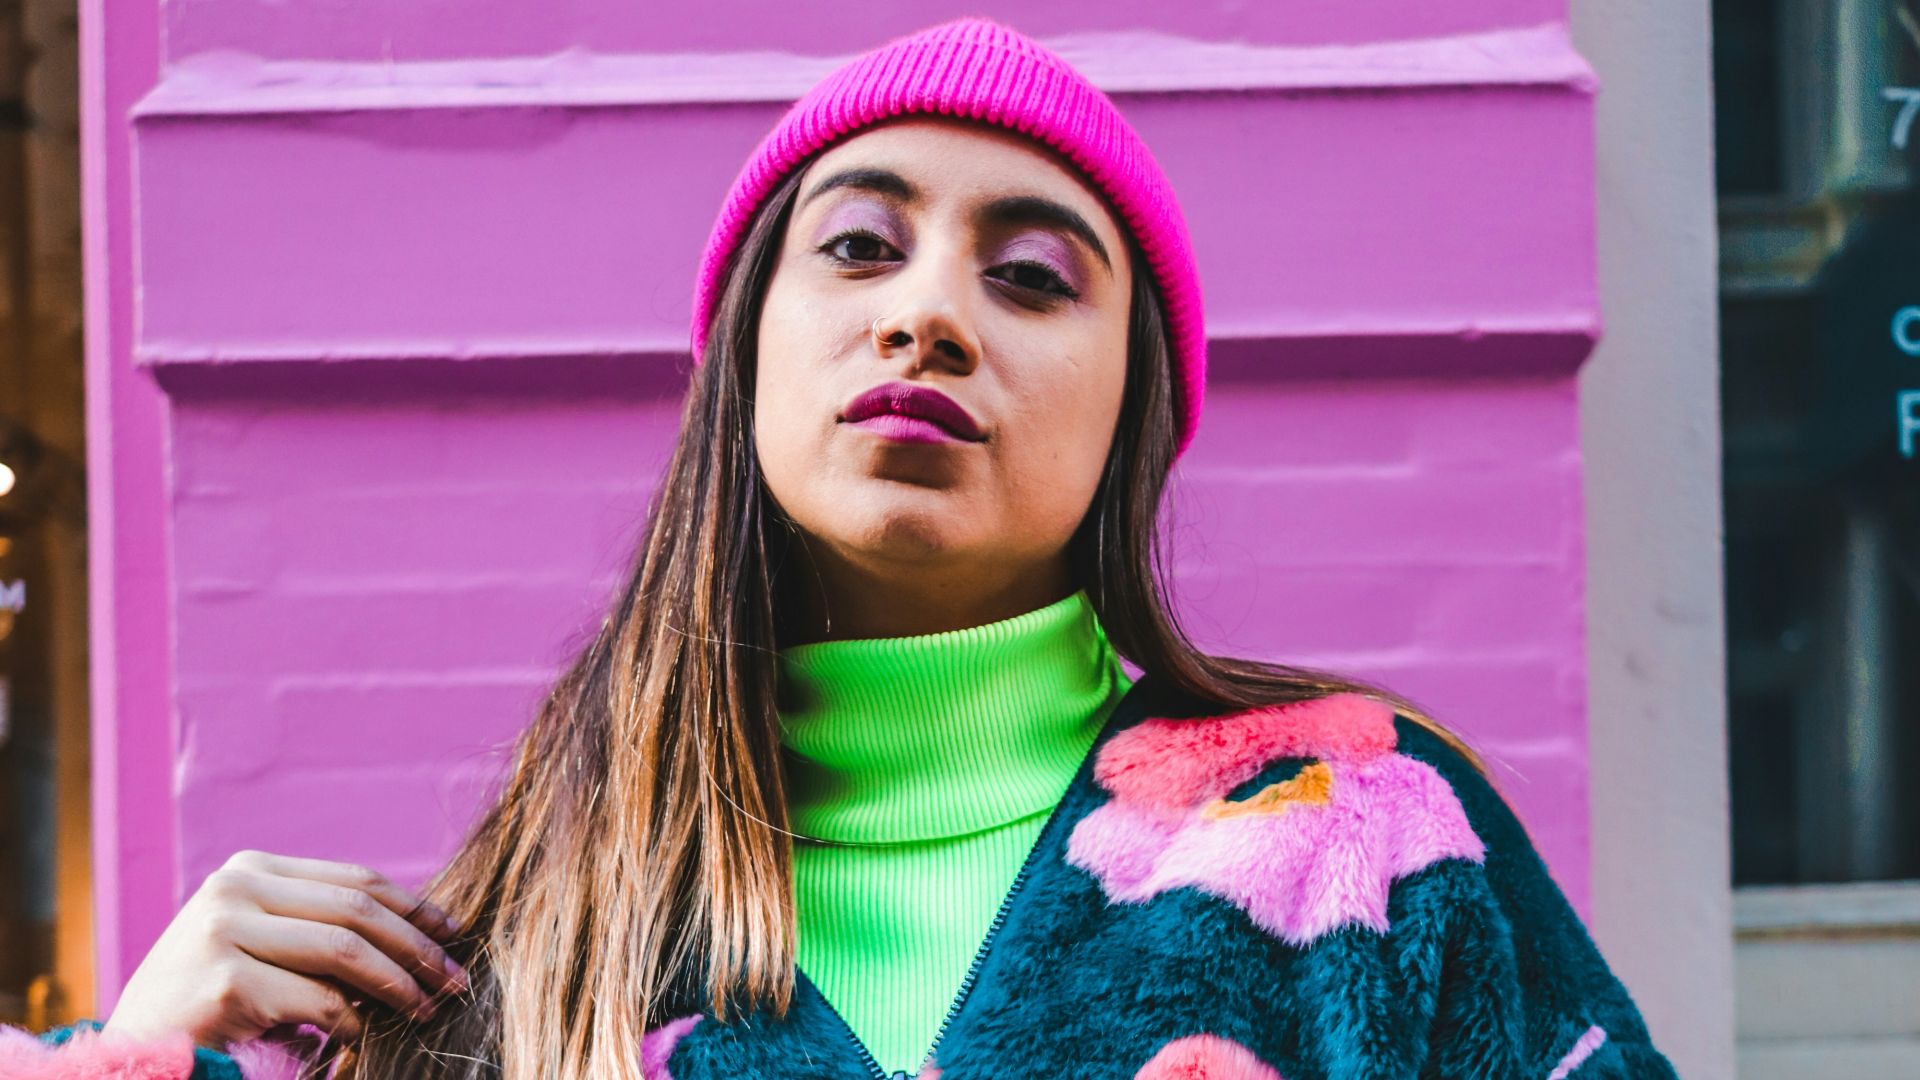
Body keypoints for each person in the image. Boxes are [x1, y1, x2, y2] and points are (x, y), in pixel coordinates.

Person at [8, 16, 1677, 1080]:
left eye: (1033, 276)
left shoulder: (1359, 833)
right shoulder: (511, 968)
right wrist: (138, 1051)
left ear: (1133, 409)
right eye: (861, 247)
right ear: (746, 355)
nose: (929, 313)